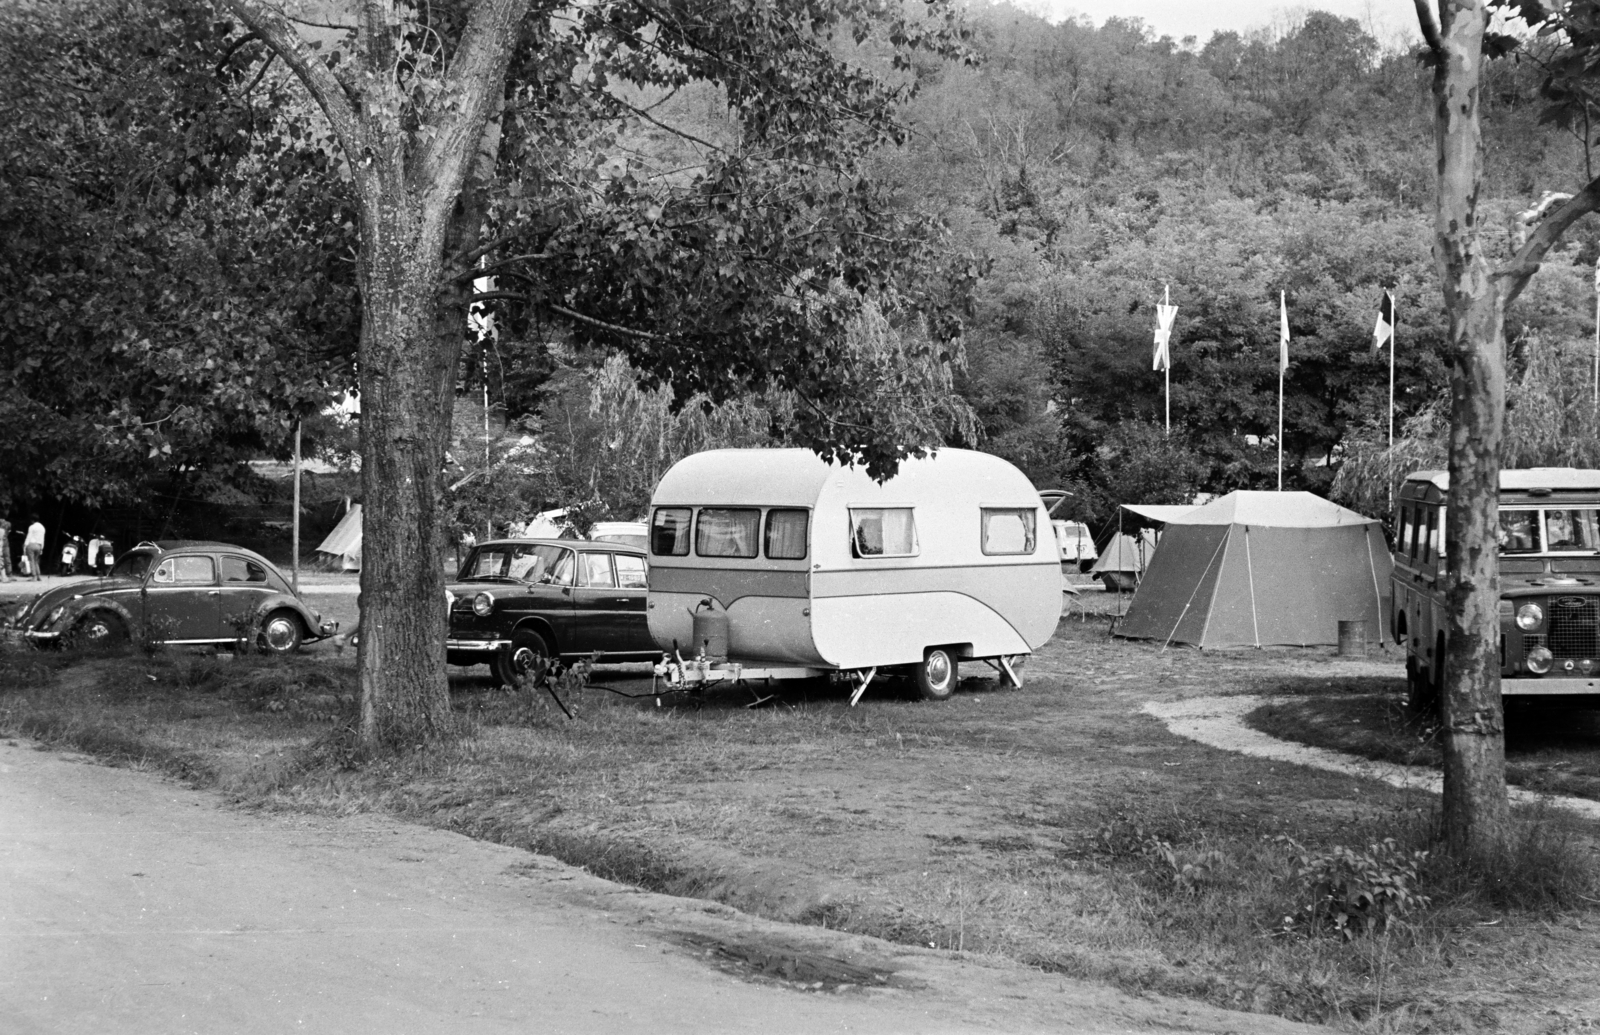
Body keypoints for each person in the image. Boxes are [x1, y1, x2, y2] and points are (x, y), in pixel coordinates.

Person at [23, 516, 45, 581]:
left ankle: (34, 577)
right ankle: (38, 576)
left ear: (32, 520)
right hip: (39, 545)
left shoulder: (32, 527)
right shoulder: (42, 528)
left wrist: (25, 545)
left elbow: (29, 536)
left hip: (31, 545)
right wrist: (42, 548)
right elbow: (42, 539)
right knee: (36, 561)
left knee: (31, 561)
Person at [0, 517, 10, 582]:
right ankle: (3, 577)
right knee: (1, 563)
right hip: (0, 547)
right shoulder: (3, 531)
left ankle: (3, 577)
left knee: (1, 564)